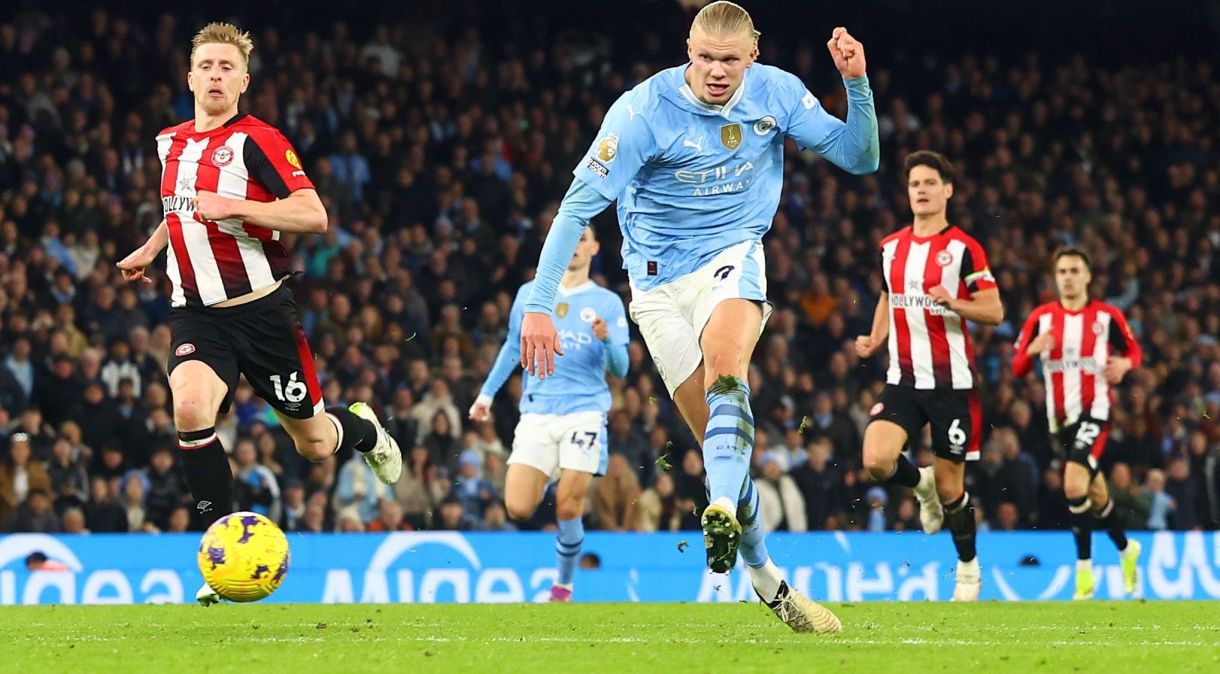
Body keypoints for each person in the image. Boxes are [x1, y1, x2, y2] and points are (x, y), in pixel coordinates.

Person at [517, 1, 876, 631]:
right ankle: (768, 580)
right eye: (705, 57)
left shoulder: (777, 94)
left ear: (752, 56)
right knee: (717, 434)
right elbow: (575, 210)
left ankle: (717, 506)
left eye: (728, 60)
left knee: (727, 368)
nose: (715, 70)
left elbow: (859, 157)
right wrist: (540, 307)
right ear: (689, 48)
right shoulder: (641, 113)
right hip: (655, 285)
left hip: (732, 255)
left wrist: (855, 84)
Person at [115, 22, 401, 606]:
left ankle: (365, 428)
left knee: (316, 445)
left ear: (243, 81)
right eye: (207, 66)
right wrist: (151, 249)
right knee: (191, 407)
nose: (216, 75)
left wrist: (241, 206)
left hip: (262, 314)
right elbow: (180, 210)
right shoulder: (168, 141)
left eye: (227, 67)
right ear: (190, 76)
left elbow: (313, 215)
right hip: (196, 312)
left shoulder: (259, 141)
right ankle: (217, 556)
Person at [855, 151, 1004, 601]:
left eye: (929, 183)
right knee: (876, 461)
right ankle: (918, 484)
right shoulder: (890, 247)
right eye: (914, 183)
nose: (920, 190)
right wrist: (876, 337)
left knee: (952, 488)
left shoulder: (963, 248)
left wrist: (954, 302)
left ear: (948, 190)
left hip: (952, 385)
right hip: (903, 378)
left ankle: (968, 569)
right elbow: (887, 296)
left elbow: (994, 310)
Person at [470, 226, 629, 602]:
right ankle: (554, 465)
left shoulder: (607, 303)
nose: (574, 244)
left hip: (584, 413)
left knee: (569, 505)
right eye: (568, 237)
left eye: (581, 237)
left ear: (593, 247)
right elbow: (513, 346)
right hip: (538, 413)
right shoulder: (530, 295)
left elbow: (621, 370)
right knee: (518, 507)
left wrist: (606, 339)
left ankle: (563, 585)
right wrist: (486, 395)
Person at [1012, 247, 1143, 599]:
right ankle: (1126, 549)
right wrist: (1033, 349)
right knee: (1095, 493)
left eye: (1074, 270)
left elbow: (1133, 351)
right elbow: (1017, 368)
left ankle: (1084, 572)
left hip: (1096, 411)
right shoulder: (1041, 318)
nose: (1068, 277)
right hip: (1060, 421)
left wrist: (1124, 366)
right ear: (1056, 278)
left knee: (1073, 484)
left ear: (1087, 276)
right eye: (1062, 271)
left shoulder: (1107, 316)